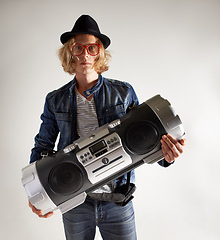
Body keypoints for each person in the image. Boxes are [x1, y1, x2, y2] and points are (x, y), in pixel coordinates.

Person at [28, 15, 186, 240]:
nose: (84, 54)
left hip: (118, 201)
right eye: (78, 48)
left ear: (99, 51)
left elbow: (146, 136)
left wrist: (168, 155)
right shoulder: (56, 100)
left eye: (91, 48)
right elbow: (43, 146)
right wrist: (36, 194)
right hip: (75, 202)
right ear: (69, 51)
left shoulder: (123, 93)